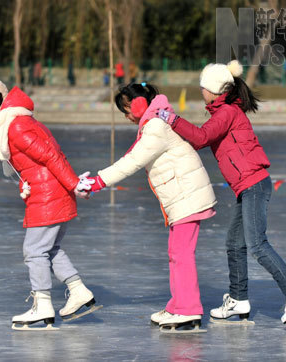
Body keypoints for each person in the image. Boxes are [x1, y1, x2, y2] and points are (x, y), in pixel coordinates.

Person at [155, 60, 286, 329]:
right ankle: (238, 299)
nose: (201, 91)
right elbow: (202, 136)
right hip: (246, 188)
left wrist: (171, 119)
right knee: (235, 243)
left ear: (213, 90)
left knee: (257, 244)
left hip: (254, 185)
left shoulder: (227, 113)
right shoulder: (223, 112)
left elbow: (200, 138)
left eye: (203, 87)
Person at [0, 75, 100, 330]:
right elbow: (35, 163)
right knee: (49, 249)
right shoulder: (21, 122)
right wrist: (27, 183)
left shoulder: (16, 126)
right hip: (48, 192)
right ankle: (78, 290)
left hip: (49, 196)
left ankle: (42, 305)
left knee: (34, 250)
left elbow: (51, 157)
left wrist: (73, 183)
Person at [85, 83, 217, 333]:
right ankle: (179, 305)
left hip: (186, 196)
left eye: (126, 109)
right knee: (176, 253)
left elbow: (133, 161)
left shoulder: (156, 126)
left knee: (182, 255)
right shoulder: (154, 122)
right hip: (182, 196)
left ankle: (188, 310)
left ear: (139, 106)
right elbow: (133, 153)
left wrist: (98, 181)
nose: (125, 116)